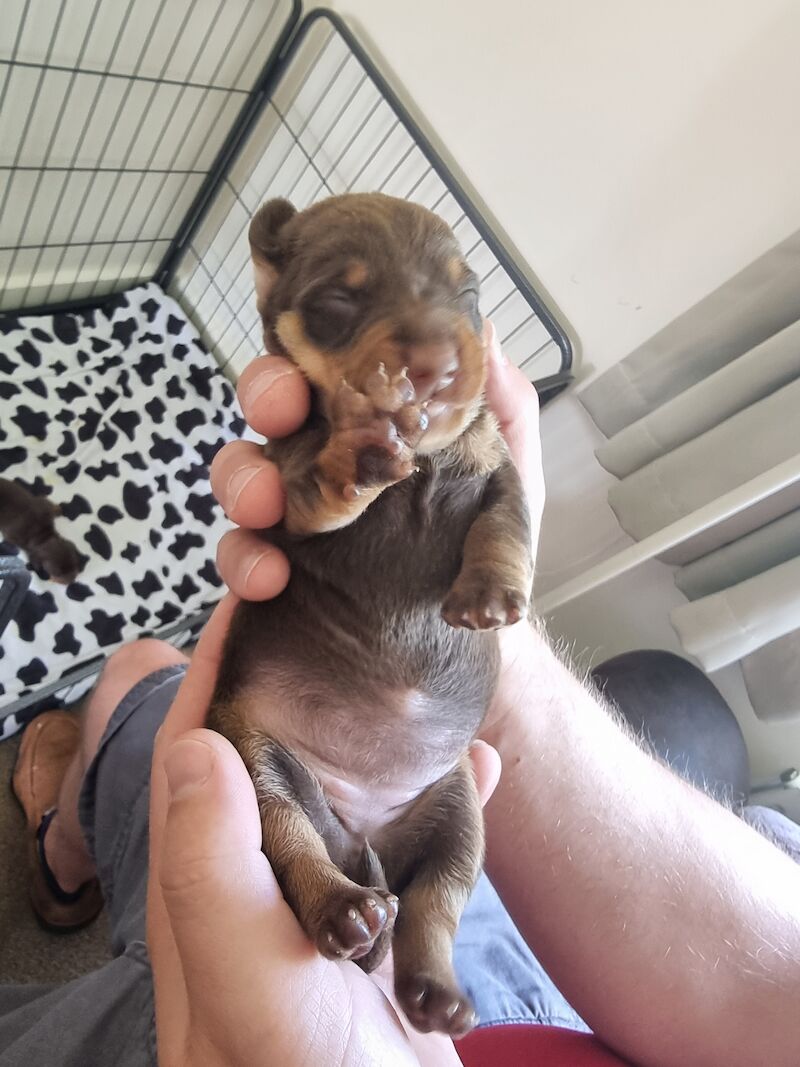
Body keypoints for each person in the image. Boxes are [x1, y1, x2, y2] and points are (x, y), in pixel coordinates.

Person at [4, 326, 800, 1067]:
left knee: (145, 674)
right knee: (676, 701)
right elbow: (765, 985)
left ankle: (64, 857)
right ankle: (419, 930)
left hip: (267, 955)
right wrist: (497, 656)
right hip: (556, 993)